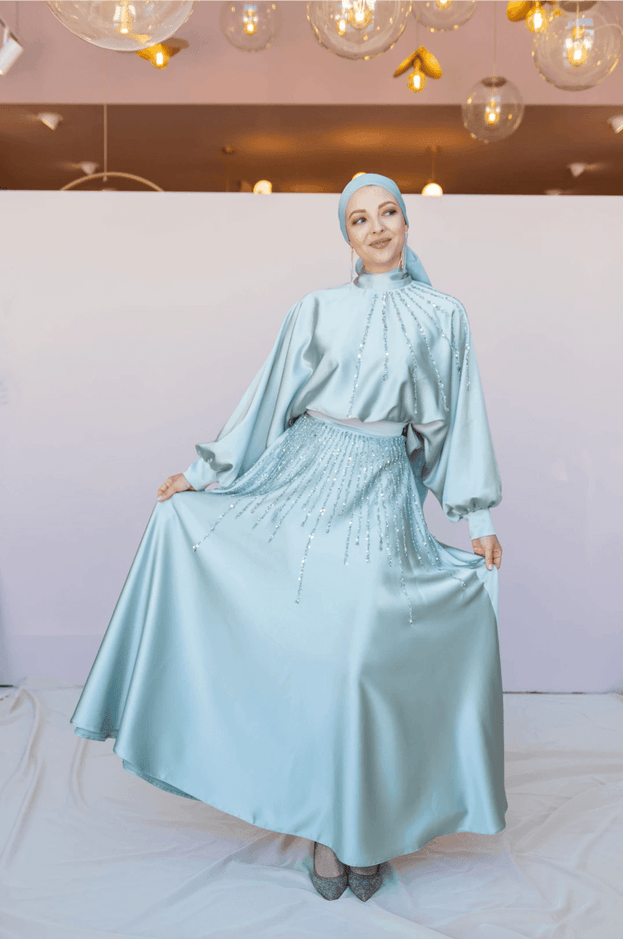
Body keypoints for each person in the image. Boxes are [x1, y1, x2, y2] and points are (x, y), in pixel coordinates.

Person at [70, 173, 506, 903]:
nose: (376, 227)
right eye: (359, 219)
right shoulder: (316, 309)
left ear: (407, 223)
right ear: (346, 236)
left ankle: (361, 825)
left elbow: (456, 424)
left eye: (388, 213)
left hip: (381, 495)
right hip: (302, 484)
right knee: (316, 660)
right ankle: (327, 831)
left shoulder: (444, 315)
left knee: (362, 662)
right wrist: (199, 474)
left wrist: (479, 521)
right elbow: (266, 401)